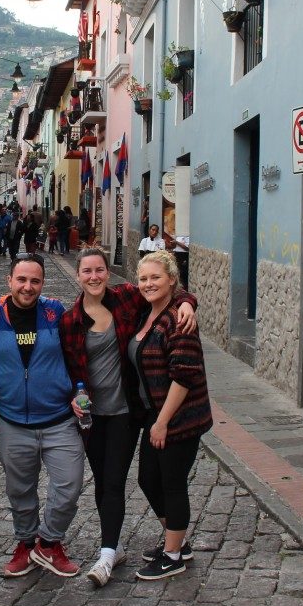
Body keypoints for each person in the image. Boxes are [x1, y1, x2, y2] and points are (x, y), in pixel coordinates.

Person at [59, 248, 197, 587]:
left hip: (126, 412)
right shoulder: (69, 320)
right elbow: (65, 368)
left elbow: (169, 290)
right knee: (105, 479)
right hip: (92, 416)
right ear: (78, 275)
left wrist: (189, 303)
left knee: (117, 479)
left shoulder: (126, 299)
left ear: (108, 273)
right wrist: (71, 399)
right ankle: (120, 545)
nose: (94, 276)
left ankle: (107, 553)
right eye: (87, 271)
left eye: (100, 270)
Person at [0, 253, 85, 578]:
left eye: (35, 281)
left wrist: (81, 389)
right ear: (9, 281)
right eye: (21, 280)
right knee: (20, 491)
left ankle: (49, 542)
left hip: (59, 420)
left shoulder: (55, 312)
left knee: (69, 486)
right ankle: (25, 544)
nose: (27, 287)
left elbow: (78, 352)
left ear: (42, 284)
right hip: (13, 422)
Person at [130, 251, 212, 581]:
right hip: (156, 414)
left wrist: (162, 421)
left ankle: (174, 554)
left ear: (172, 281)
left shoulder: (179, 318)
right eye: (144, 279)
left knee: (171, 483)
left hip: (179, 418)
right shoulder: (147, 312)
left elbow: (184, 375)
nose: (148, 284)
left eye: (155, 278)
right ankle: (176, 540)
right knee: (148, 479)